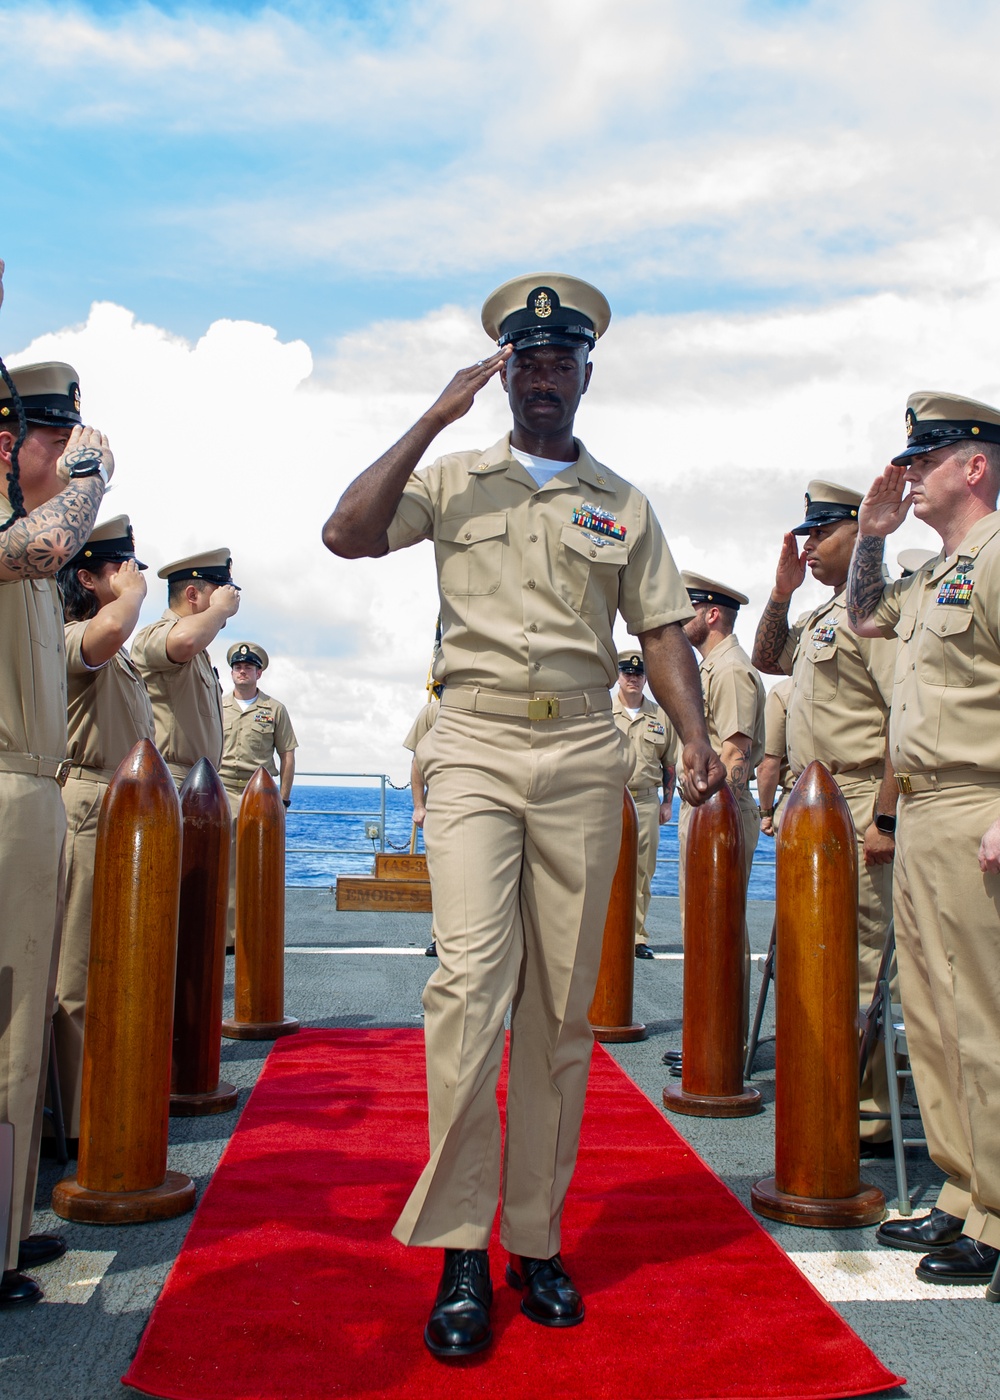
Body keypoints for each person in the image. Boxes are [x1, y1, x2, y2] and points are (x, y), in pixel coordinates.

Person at [322, 272, 723, 1359]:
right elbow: (345, 534)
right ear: (505, 373)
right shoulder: (453, 477)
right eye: (527, 358)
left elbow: (660, 631)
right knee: (467, 982)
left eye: (563, 358)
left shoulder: (623, 503)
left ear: (587, 373)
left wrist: (690, 734)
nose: (546, 373)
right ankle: (460, 1244)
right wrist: (429, 416)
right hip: (475, 741)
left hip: (587, 744)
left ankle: (534, 1239)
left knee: (558, 1003)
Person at [846, 391, 1000, 1287]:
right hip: (928, 815)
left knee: (981, 1013)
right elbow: (867, 618)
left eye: (924, 460)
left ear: (973, 465)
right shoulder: (938, 571)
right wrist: (870, 532)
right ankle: (963, 1194)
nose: (908, 474)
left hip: (979, 799)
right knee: (936, 1021)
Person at [0, 329, 113, 1306]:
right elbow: (48, 537)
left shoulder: (37, 562)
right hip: (6, 787)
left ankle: (3, 1233)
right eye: (53, 432)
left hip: (32, 793)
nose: (68, 449)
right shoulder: (28, 540)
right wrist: (94, 474)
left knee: (18, 1029)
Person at [751, 480, 898, 1150]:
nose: (809, 547)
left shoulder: (877, 612)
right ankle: (826, 1085)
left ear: (858, 533)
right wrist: (782, 591)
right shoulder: (818, 619)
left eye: (821, 535)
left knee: (863, 956)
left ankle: (862, 1111)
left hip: (861, 795)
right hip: (815, 806)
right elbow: (764, 658)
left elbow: (904, 715)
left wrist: (886, 817)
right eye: (806, 536)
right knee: (816, 952)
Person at [53, 515, 154, 1145]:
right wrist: (134, 593)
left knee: (113, 963)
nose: (133, 575)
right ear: (87, 578)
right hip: (87, 801)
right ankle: (75, 1121)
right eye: (120, 566)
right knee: (77, 970)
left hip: (121, 807)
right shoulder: (72, 635)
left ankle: (104, 1096)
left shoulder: (114, 648)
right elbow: (111, 629)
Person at [678, 572, 765, 1033]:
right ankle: (707, 1040)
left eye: (687, 608)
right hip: (706, 810)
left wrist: (716, 819)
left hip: (720, 812)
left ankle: (722, 1044)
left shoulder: (729, 670)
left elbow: (735, 753)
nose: (679, 616)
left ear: (711, 614)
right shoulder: (708, 668)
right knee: (704, 928)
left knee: (721, 927)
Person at [131, 550, 240, 786]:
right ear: (192, 594)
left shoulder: (200, 653)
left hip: (199, 780)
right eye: (219, 592)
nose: (230, 600)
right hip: (167, 779)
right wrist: (220, 609)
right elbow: (184, 640)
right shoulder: (157, 634)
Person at [219, 642, 298, 948]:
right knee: (224, 863)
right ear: (232, 672)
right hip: (223, 789)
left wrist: (284, 798)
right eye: (238, 667)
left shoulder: (274, 710)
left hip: (258, 791)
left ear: (258, 673)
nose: (243, 671)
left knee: (257, 863)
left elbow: (287, 754)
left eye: (249, 667)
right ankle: (226, 936)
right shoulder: (217, 705)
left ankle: (252, 931)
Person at [612, 649, 676, 959]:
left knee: (642, 873)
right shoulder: (600, 711)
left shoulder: (660, 716)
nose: (632, 678)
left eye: (638, 674)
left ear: (645, 677)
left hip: (647, 803)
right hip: (608, 800)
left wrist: (668, 803)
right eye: (627, 673)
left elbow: (670, 764)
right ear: (618, 675)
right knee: (601, 870)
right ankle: (604, 933)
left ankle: (636, 936)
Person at [403, 694, 441, 958]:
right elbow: (418, 760)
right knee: (443, 876)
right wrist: (419, 805)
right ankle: (442, 939)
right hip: (442, 799)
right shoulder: (433, 712)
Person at [756, 677, 794, 837]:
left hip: (799, 802)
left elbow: (768, 764)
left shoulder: (783, 692)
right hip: (862, 797)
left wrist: (766, 812)